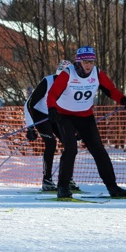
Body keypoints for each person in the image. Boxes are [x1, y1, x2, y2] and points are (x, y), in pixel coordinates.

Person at [46, 46, 126, 198]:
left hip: (85, 117)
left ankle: (112, 187)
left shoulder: (97, 73)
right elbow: (52, 94)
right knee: (71, 149)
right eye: (85, 62)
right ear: (78, 62)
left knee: (99, 151)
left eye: (91, 62)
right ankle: (63, 187)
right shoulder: (68, 73)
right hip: (65, 116)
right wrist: (52, 109)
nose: (89, 65)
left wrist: (123, 100)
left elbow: (111, 90)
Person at [24, 60, 81, 192]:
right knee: (51, 143)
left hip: (56, 115)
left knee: (71, 145)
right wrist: (30, 127)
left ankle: (67, 179)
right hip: (40, 114)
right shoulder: (47, 82)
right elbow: (28, 104)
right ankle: (47, 180)